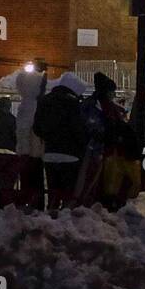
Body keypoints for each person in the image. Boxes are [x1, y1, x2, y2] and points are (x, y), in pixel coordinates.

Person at [33, 80, 86, 209]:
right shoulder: (73, 103)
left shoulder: (44, 101)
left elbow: (36, 128)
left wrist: (48, 137)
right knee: (68, 192)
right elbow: (78, 130)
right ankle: (65, 218)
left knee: (53, 191)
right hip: (70, 155)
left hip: (50, 153)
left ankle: (52, 216)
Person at [75, 72, 117, 206]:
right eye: (112, 92)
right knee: (90, 178)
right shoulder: (94, 106)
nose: (113, 95)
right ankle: (86, 203)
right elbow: (93, 127)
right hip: (93, 148)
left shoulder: (100, 105)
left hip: (100, 148)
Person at [15, 61, 48, 208]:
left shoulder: (24, 106)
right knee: (36, 180)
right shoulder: (37, 106)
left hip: (23, 152)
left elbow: (21, 130)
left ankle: (26, 201)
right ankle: (37, 204)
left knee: (26, 180)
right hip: (35, 153)